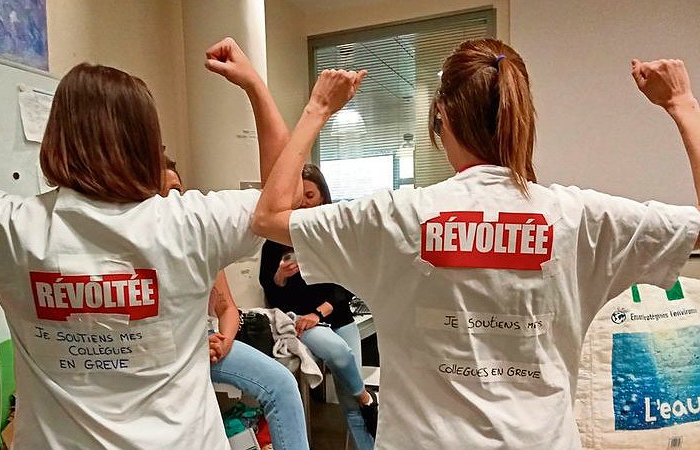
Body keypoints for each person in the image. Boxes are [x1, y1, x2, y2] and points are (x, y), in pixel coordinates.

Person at [250, 39, 700, 449]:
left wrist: (318, 109)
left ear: (441, 117)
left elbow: (269, 215)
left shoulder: (396, 217)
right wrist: (682, 105)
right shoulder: (577, 217)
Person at [0, 17, 288, 449]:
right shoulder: (189, 224)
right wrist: (254, 85)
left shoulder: (7, 227)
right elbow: (282, 200)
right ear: (148, 145)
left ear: (57, 138)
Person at [161, 158, 309, 450]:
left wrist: (224, 340)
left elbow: (227, 308)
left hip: (209, 343)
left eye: (176, 190)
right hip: (172, 350)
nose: (171, 200)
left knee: (282, 383)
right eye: (162, 193)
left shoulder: (199, 245)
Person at [258, 163, 377, 449]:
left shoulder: (335, 234)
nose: (303, 203)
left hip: (337, 316)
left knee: (349, 398)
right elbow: (271, 290)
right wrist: (279, 277)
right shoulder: (276, 239)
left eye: (310, 196)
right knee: (339, 354)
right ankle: (367, 397)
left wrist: (318, 312)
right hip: (301, 320)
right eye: (298, 197)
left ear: (323, 195)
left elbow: (346, 285)